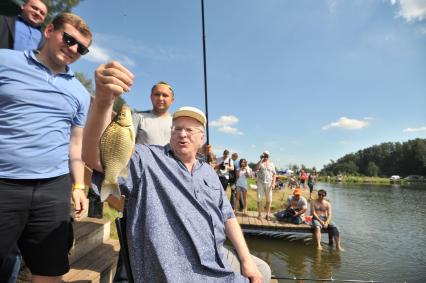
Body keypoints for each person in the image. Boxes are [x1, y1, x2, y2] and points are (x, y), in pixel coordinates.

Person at [83, 64, 270, 281]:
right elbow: (94, 158)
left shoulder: (209, 173)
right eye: (177, 129)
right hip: (181, 272)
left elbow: (228, 217)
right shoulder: (147, 159)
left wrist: (246, 259)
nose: (182, 134)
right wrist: (104, 101)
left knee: (262, 269)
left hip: (216, 257)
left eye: (190, 130)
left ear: (202, 139)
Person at [0, 12, 92, 283]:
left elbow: (75, 146)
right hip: (4, 183)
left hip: (53, 188)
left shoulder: (80, 92)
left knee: (50, 272)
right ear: (49, 30)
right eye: (68, 39)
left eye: (82, 48)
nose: (73, 49)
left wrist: (78, 187)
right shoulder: (5, 60)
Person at [112, 81, 175, 283]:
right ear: (151, 97)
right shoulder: (139, 117)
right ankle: (123, 278)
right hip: (141, 183)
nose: (161, 98)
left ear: (172, 100)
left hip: (170, 186)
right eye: (157, 94)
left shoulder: (177, 123)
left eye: (165, 95)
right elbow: (126, 145)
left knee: (166, 234)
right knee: (133, 232)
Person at [256, 151, 276, 221]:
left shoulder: (272, 164)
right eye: (264, 155)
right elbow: (256, 168)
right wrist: (261, 159)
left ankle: (267, 214)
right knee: (259, 198)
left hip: (269, 183)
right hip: (260, 182)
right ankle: (259, 214)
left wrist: (273, 183)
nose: (266, 156)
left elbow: (274, 174)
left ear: (269, 156)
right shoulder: (260, 162)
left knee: (269, 200)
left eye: (267, 155)